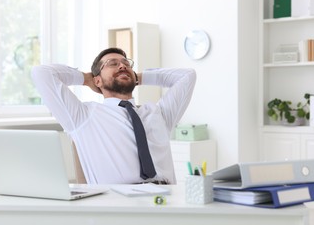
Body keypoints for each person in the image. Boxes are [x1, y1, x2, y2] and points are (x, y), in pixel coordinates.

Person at [31, 47, 196, 184]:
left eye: (126, 64)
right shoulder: (83, 116)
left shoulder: (159, 113)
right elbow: (42, 73)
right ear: (97, 81)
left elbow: (187, 76)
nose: (123, 66)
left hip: (166, 202)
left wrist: (136, 77)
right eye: (113, 64)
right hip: (118, 205)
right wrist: (86, 78)